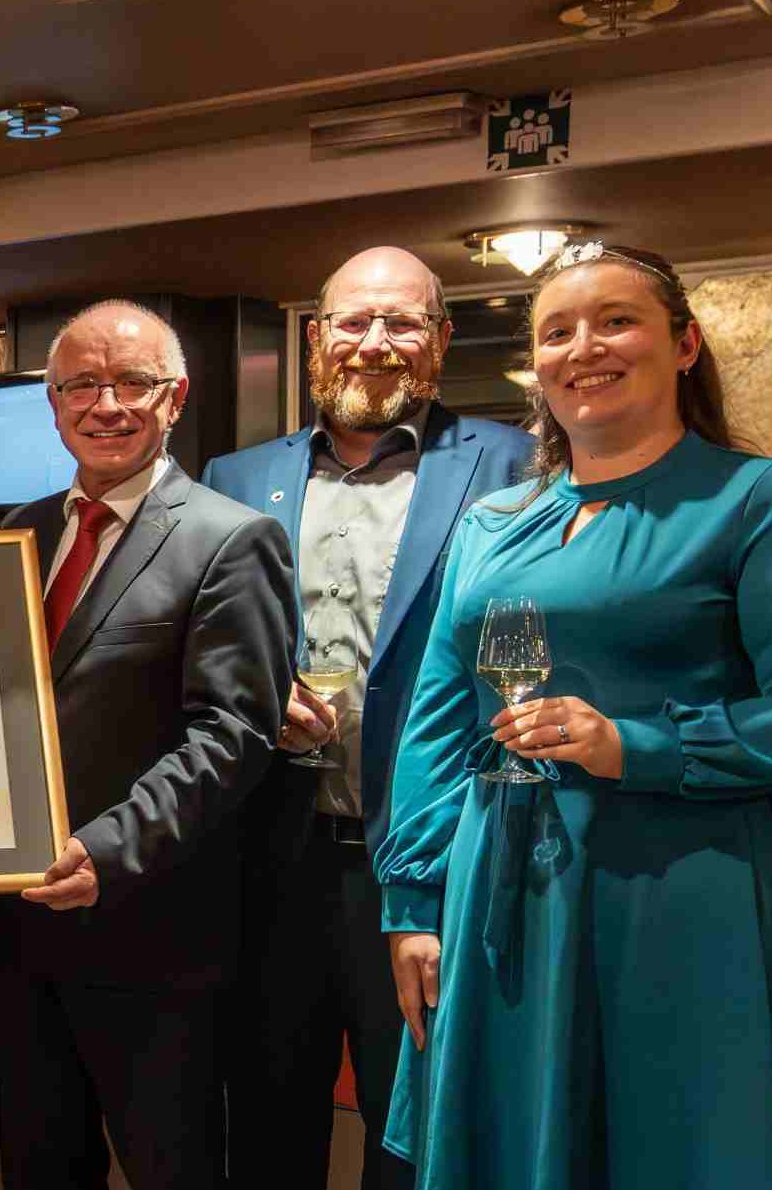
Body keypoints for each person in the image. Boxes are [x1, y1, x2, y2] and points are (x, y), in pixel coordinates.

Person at [377, 243, 772, 1189]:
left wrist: (636, 747)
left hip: (688, 893)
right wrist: (411, 901)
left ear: (685, 344)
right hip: (505, 887)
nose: (584, 347)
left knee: (673, 1145)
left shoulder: (761, 501)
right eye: (557, 332)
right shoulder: (491, 524)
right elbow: (438, 721)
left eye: (616, 321)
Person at [201, 247, 533, 1190]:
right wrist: (262, 708)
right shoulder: (236, 475)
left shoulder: (514, 465)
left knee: (415, 1123)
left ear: (442, 340)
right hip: (270, 857)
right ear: (317, 337)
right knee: (267, 1118)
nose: (375, 343)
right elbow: (209, 647)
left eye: (403, 322)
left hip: (429, 867)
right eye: (352, 321)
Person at [0, 300, 295, 1190]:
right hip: (27, 934)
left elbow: (234, 735)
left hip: (156, 940)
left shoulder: (232, 539)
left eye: (131, 383)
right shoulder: (16, 537)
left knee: (172, 1169)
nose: (105, 404)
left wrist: (105, 851)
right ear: (54, 404)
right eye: (79, 385)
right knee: (36, 1168)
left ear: (174, 397)